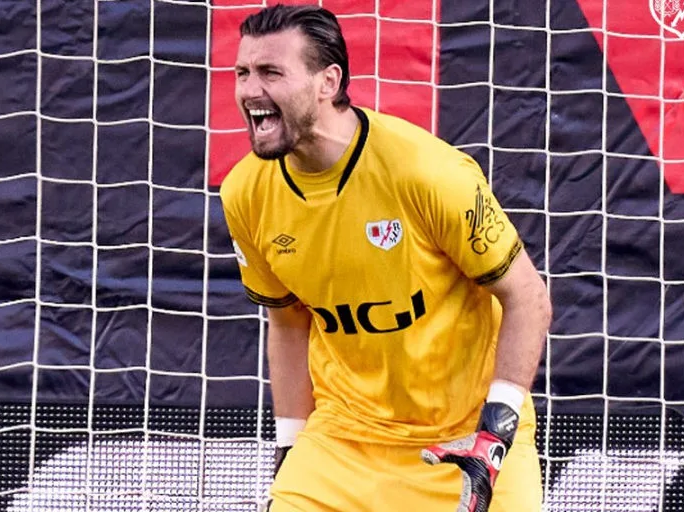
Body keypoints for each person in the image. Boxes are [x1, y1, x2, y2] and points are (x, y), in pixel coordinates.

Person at [218, 4, 552, 511]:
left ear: (328, 81)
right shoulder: (245, 192)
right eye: (242, 72)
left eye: (270, 72)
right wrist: (290, 446)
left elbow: (527, 297)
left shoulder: (427, 172)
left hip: (464, 442)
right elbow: (287, 322)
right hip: (344, 442)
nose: (249, 90)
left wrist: (494, 437)